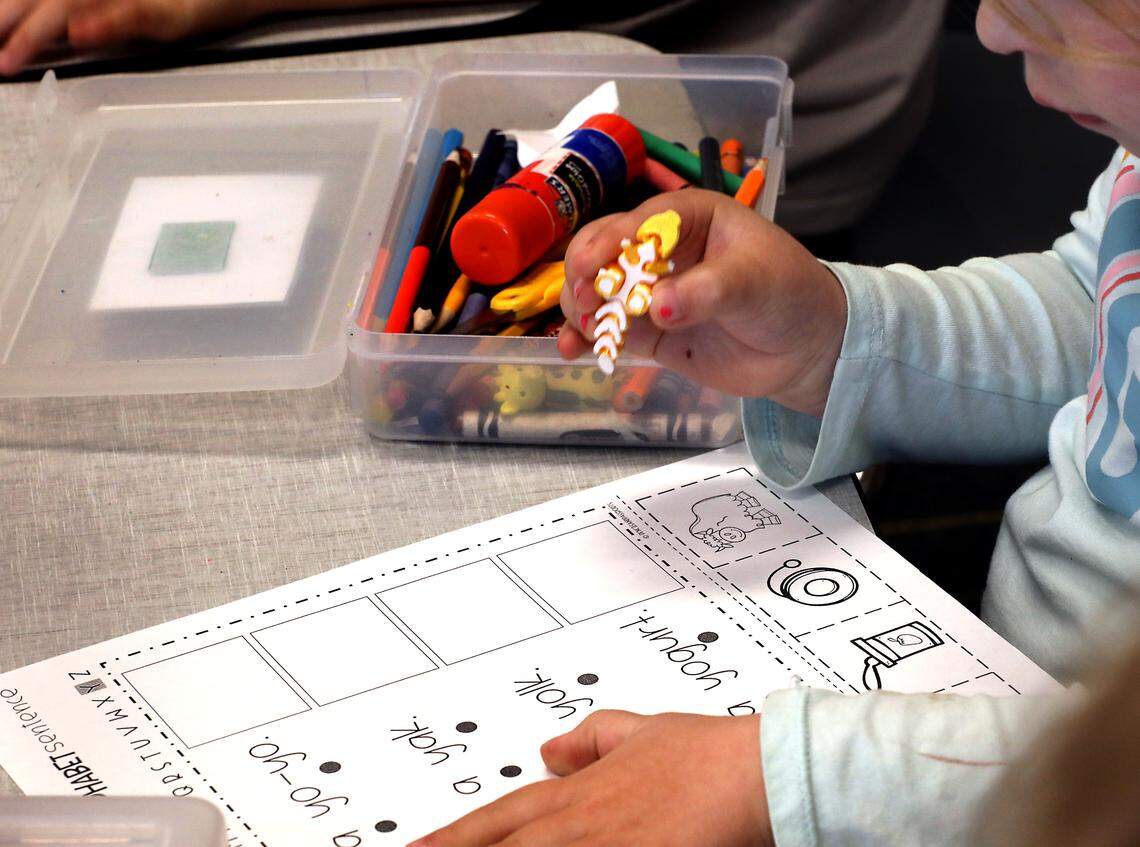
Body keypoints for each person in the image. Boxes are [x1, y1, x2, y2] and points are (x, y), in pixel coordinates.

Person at [408, 1, 1140, 844]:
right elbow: (1094, 307)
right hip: (990, 710)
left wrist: (793, 780)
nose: (991, 30)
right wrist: (836, 340)